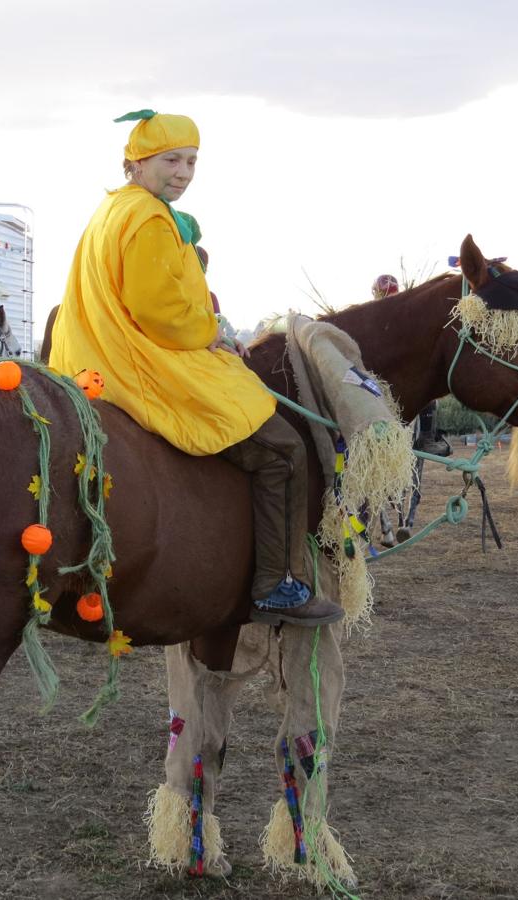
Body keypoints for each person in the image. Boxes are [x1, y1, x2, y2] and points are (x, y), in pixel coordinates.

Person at [49, 110, 342, 627]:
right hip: (140, 361)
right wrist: (216, 333)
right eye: (171, 160)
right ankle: (275, 585)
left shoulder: (115, 209)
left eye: (191, 161)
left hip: (95, 359)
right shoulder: (148, 218)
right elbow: (161, 314)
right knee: (284, 448)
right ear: (135, 164)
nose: (183, 172)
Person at [372, 273, 452, 456]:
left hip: (387, 377)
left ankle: (426, 438)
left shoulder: (394, 316)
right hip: (381, 379)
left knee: (427, 395)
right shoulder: (379, 317)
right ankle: (427, 439)